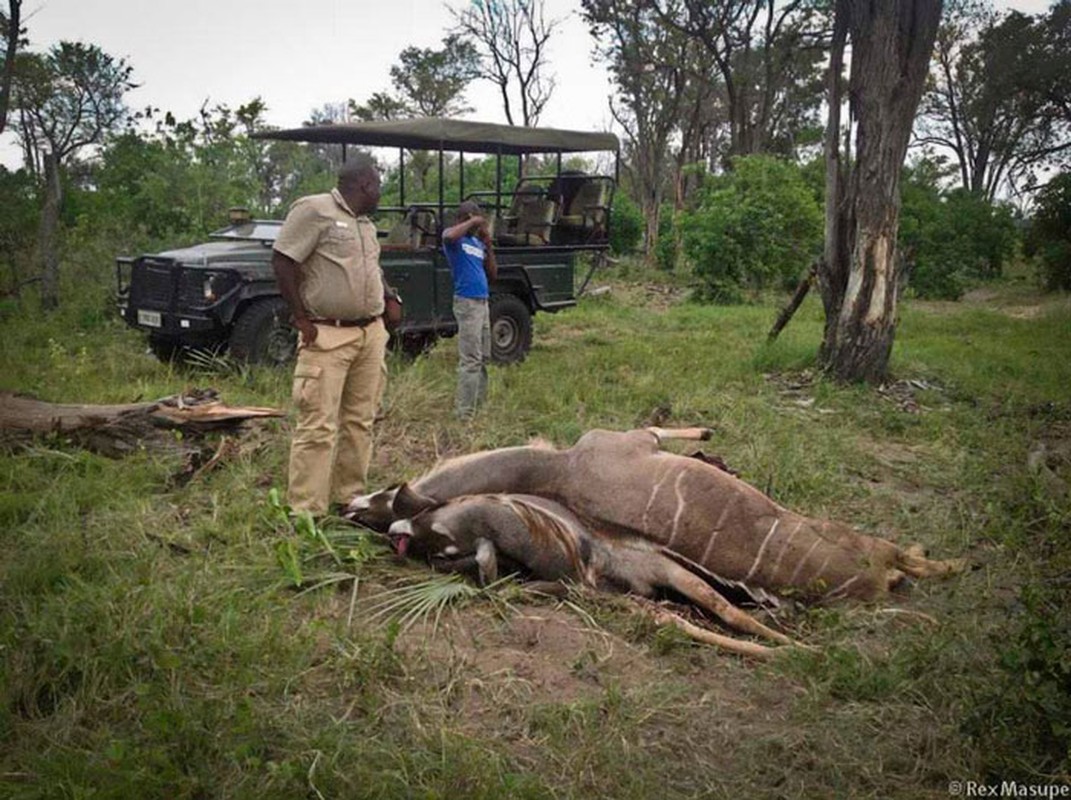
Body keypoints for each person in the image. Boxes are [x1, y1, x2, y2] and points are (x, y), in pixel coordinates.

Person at [272, 157, 401, 516]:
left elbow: (370, 267)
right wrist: (300, 317)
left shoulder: (366, 225)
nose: (380, 193)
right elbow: (283, 260)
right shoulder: (314, 210)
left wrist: (389, 296)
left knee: (361, 420)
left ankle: (350, 499)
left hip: (369, 334)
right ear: (365, 186)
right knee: (318, 425)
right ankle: (307, 510)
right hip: (327, 334)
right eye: (377, 185)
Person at [442, 200, 498, 419]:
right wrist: (473, 220)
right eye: (472, 218)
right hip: (467, 302)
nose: (476, 223)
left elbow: (493, 274)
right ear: (463, 218)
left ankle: (478, 405)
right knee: (470, 358)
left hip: (482, 302)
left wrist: (489, 246)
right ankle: (464, 412)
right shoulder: (454, 238)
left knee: (483, 356)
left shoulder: (477, 243)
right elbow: (448, 236)